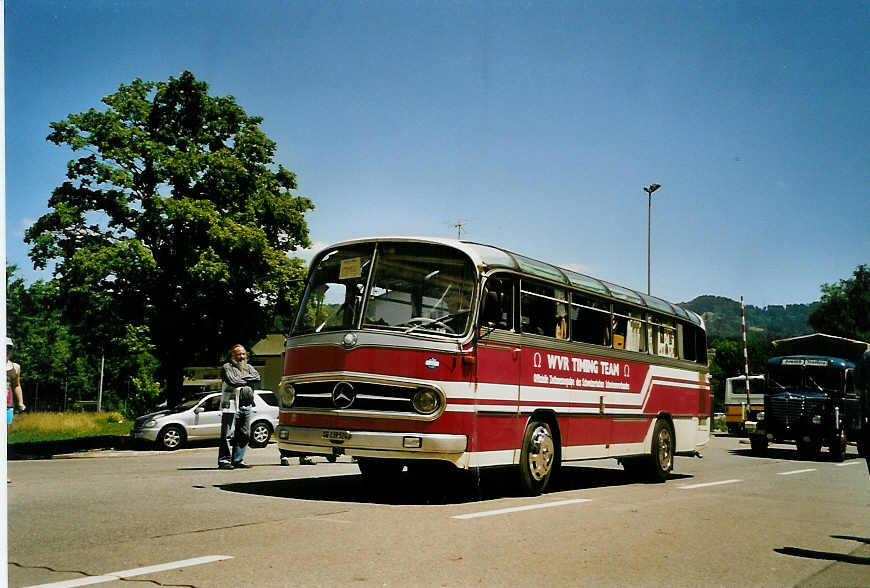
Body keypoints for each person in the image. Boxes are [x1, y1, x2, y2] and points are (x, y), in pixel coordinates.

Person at [218, 344, 260, 470]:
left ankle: (238, 459)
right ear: (232, 355)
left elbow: (257, 377)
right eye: (238, 354)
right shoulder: (227, 367)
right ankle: (224, 460)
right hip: (231, 404)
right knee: (227, 434)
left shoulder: (249, 367)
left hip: (246, 405)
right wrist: (247, 380)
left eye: (243, 354)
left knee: (244, 434)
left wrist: (241, 378)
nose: (241, 357)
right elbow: (233, 381)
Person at [7, 338, 25, 424]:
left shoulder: (16, 367)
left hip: (8, 407)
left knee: (5, 429)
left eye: (9, 348)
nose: (6, 351)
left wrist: (20, 402)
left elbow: (16, 385)